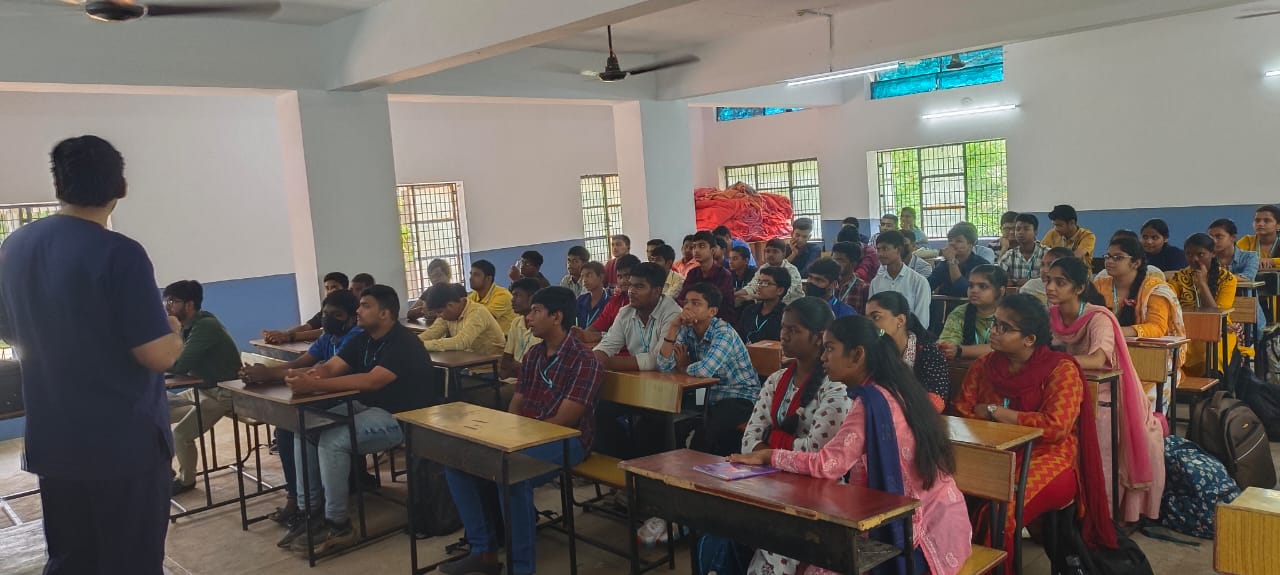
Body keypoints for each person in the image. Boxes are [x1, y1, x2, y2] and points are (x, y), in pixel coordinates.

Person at [0, 135, 183, 574]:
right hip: (121, 445)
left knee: (71, 558)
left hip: (55, 440)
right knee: (131, 560)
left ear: (58, 185)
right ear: (121, 187)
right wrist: (174, 332)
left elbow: (8, 328)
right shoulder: (120, 252)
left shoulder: (15, 246)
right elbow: (157, 355)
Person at [730, 315, 970, 575]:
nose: (823, 357)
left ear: (857, 355)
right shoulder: (895, 388)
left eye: (830, 348)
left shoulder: (872, 402)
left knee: (819, 568)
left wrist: (769, 456)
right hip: (944, 518)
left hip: (923, 535)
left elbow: (828, 464)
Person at [439, 287, 602, 575]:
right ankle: (483, 551)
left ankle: (522, 567)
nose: (529, 318)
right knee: (457, 464)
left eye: (536, 311)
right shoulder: (534, 354)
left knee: (512, 475)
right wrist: (509, 433)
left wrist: (519, 440)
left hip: (569, 440)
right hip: (525, 435)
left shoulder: (584, 360)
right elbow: (517, 401)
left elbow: (566, 419)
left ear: (557, 317)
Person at [953, 293, 1117, 563]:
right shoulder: (984, 365)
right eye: (995, 323)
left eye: (1004, 327)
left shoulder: (1060, 369)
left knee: (999, 514)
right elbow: (962, 410)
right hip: (993, 453)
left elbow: (1056, 427)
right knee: (942, 497)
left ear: (1029, 339)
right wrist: (998, 429)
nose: (994, 331)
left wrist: (996, 412)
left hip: (1050, 456)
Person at [281, 285, 442, 553]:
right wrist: (308, 376)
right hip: (366, 407)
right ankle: (309, 512)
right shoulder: (363, 338)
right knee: (304, 426)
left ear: (385, 313)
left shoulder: (403, 342)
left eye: (365, 305)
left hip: (401, 418)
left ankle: (338, 524)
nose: (358, 310)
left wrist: (314, 386)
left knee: (333, 440)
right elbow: (332, 367)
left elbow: (372, 381)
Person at [1044, 257, 1165, 523]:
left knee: (1101, 435)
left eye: (1060, 282)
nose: (1050, 287)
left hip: (1106, 394)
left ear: (1078, 288)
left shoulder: (1098, 317)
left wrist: (1053, 361)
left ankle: (1102, 514)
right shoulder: (1050, 315)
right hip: (1066, 389)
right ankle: (1066, 509)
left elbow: (1097, 359)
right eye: (1048, 281)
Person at [739, 297, 849, 575]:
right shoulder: (776, 380)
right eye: (782, 328)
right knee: (723, 524)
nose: (784, 335)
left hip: (817, 490)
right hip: (770, 480)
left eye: (793, 330)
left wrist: (771, 444)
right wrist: (780, 450)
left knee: (776, 536)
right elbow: (749, 440)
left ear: (818, 338)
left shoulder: (835, 387)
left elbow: (816, 455)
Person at [240, 289, 363, 526]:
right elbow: (299, 363)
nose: (328, 319)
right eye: (325, 314)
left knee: (293, 428)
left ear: (351, 318)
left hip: (348, 399)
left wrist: (268, 374)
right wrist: (262, 374)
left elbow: (320, 371)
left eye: (336, 315)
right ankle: (298, 497)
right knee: (286, 427)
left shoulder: (356, 337)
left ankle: (304, 501)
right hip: (326, 396)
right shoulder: (328, 337)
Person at [658, 283, 761, 456]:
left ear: (712, 311)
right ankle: (673, 467)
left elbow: (705, 371)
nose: (687, 307)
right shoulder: (685, 328)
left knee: (705, 432)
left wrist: (683, 367)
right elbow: (664, 366)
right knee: (669, 424)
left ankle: (695, 470)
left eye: (696, 303)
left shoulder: (723, 333)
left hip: (738, 396)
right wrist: (673, 328)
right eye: (686, 302)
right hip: (705, 395)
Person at [163, 280, 241, 495]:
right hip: (202, 390)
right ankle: (163, 471)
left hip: (223, 394)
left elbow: (179, 365)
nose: (167, 307)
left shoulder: (206, 326)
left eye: (172, 301)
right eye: (166, 301)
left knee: (180, 435)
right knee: (156, 415)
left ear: (189, 305)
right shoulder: (187, 326)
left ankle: (186, 481)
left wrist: (157, 359)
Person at [1094, 236, 1185, 412]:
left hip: (1150, 359)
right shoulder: (1099, 285)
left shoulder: (1155, 289)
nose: (1109, 261)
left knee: (1137, 405)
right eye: (1107, 256)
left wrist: (1117, 331)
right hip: (1108, 354)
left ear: (1136, 263)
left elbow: (1157, 328)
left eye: (1117, 257)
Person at [1168, 233, 1238, 377]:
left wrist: (1202, 284)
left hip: (1219, 330)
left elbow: (1217, 315)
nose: (1194, 259)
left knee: (1211, 356)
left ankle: (1213, 387)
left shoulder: (1227, 279)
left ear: (1213, 254)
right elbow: (1171, 306)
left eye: (1200, 254)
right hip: (1186, 330)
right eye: (1189, 254)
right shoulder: (1178, 278)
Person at [866, 291, 950, 411]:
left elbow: (935, 402)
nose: (869, 325)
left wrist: (896, 413)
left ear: (900, 320)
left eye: (876, 317)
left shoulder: (928, 352)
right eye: (867, 319)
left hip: (918, 418)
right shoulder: (872, 351)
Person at [593, 262, 683, 370]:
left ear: (657, 291)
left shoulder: (673, 314)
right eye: (630, 285)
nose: (631, 291)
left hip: (670, 378)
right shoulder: (625, 312)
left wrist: (610, 363)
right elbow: (607, 344)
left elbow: (660, 359)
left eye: (639, 286)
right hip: (638, 377)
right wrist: (597, 357)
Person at [939, 265, 1008, 362]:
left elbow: (1005, 347)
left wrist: (960, 351)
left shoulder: (1011, 315)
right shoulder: (960, 312)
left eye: (982, 286)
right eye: (971, 286)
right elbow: (948, 343)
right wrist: (948, 347)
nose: (974, 290)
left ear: (1001, 290)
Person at [420, 283, 506, 356]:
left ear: (450, 305)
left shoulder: (477, 312)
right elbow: (431, 334)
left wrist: (422, 345)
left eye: (439, 312)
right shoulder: (447, 315)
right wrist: (413, 343)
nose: (439, 316)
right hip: (466, 364)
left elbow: (461, 342)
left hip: (489, 367)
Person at [263, 272, 348, 344]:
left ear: (345, 289)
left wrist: (288, 336)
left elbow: (327, 332)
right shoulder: (327, 306)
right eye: (327, 288)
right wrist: (282, 334)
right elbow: (308, 326)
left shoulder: (350, 306)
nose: (329, 292)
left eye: (334, 287)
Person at [574, 254, 640, 345]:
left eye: (627, 276)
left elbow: (628, 335)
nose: (623, 281)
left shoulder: (645, 301)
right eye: (619, 277)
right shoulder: (616, 300)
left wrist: (597, 335)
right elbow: (599, 325)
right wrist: (584, 334)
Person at [870, 231, 932, 327]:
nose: (880, 254)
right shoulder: (876, 283)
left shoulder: (919, 282)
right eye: (878, 249)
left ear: (898, 250)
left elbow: (922, 321)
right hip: (882, 334)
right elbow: (872, 316)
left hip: (911, 334)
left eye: (885, 249)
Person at [678, 230, 739, 324]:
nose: (696, 250)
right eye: (694, 247)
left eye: (702, 246)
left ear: (712, 250)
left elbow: (715, 303)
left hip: (719, 322)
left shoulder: (724, 275)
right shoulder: (693, 273)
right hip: (694, 320)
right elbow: (682, 298)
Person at [930, 222, 990, 297]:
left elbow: (964, 291)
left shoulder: (981, 265)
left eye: (958, 241)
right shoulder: (944, 264)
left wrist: (952, 262)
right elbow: (928, 285)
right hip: (946, 303)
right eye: (950, 240)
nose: (952, 243)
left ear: (971, 245)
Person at [499, 279, 543, 380]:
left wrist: (516, 368)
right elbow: (505, 361)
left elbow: (538, 370)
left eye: (517, 295)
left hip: (531, 381)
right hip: (512, 379)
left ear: (532, 298)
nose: (512, 300)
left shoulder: (543, 326)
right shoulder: (516, 322)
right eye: (512, 295)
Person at [738, 238, 804, 305]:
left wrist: (754, 296)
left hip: (792, 306)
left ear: (784, 254)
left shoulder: (791, 270)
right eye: (767, 251)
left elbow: (785, 293)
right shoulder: (764, 268)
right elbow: (752, 286)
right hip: (770, 304)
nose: (770, 254)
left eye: (775, 251)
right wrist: (735, 294)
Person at [736, 267, 789, 344]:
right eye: (759, 282)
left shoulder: (786, 316)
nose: (759, 286)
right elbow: (738, 339)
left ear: (780, 290)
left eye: (765, 283)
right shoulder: (749, 310)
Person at [997, 213, 1048, 286]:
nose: (1021, 232)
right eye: (1017, 229)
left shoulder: (1047, 253)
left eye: (1026, 229)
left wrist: (1030, 282)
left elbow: (1051, 279)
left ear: (1035, 232)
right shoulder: (1009, 256)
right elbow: (1000, 280)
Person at [468, 260, 518, 331]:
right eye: (471, 274)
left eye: (476, 275)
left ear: (488, 278)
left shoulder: (502, 295)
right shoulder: (473, 296)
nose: (471, 278)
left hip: (506, 337)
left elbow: (482, 319)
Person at [830, 241, 870, 315]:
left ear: (853, 263)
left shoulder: (864, 288)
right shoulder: (828, 284)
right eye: (833, 260)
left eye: (840, 260)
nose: (835, 264)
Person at [1237, 205, 1280, 270]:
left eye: (1266, 220)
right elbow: (1232, 260)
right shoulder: (1247, 241)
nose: (1260, 224)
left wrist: (1271, 261)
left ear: (1278, 226)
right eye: (1257, 220)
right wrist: (1255, 261)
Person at [574, 261, 610, 329]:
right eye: (582, 276)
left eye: (589, 275)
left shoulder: (610, 303)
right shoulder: (580, 300)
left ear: (601, 277)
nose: (584, 280)